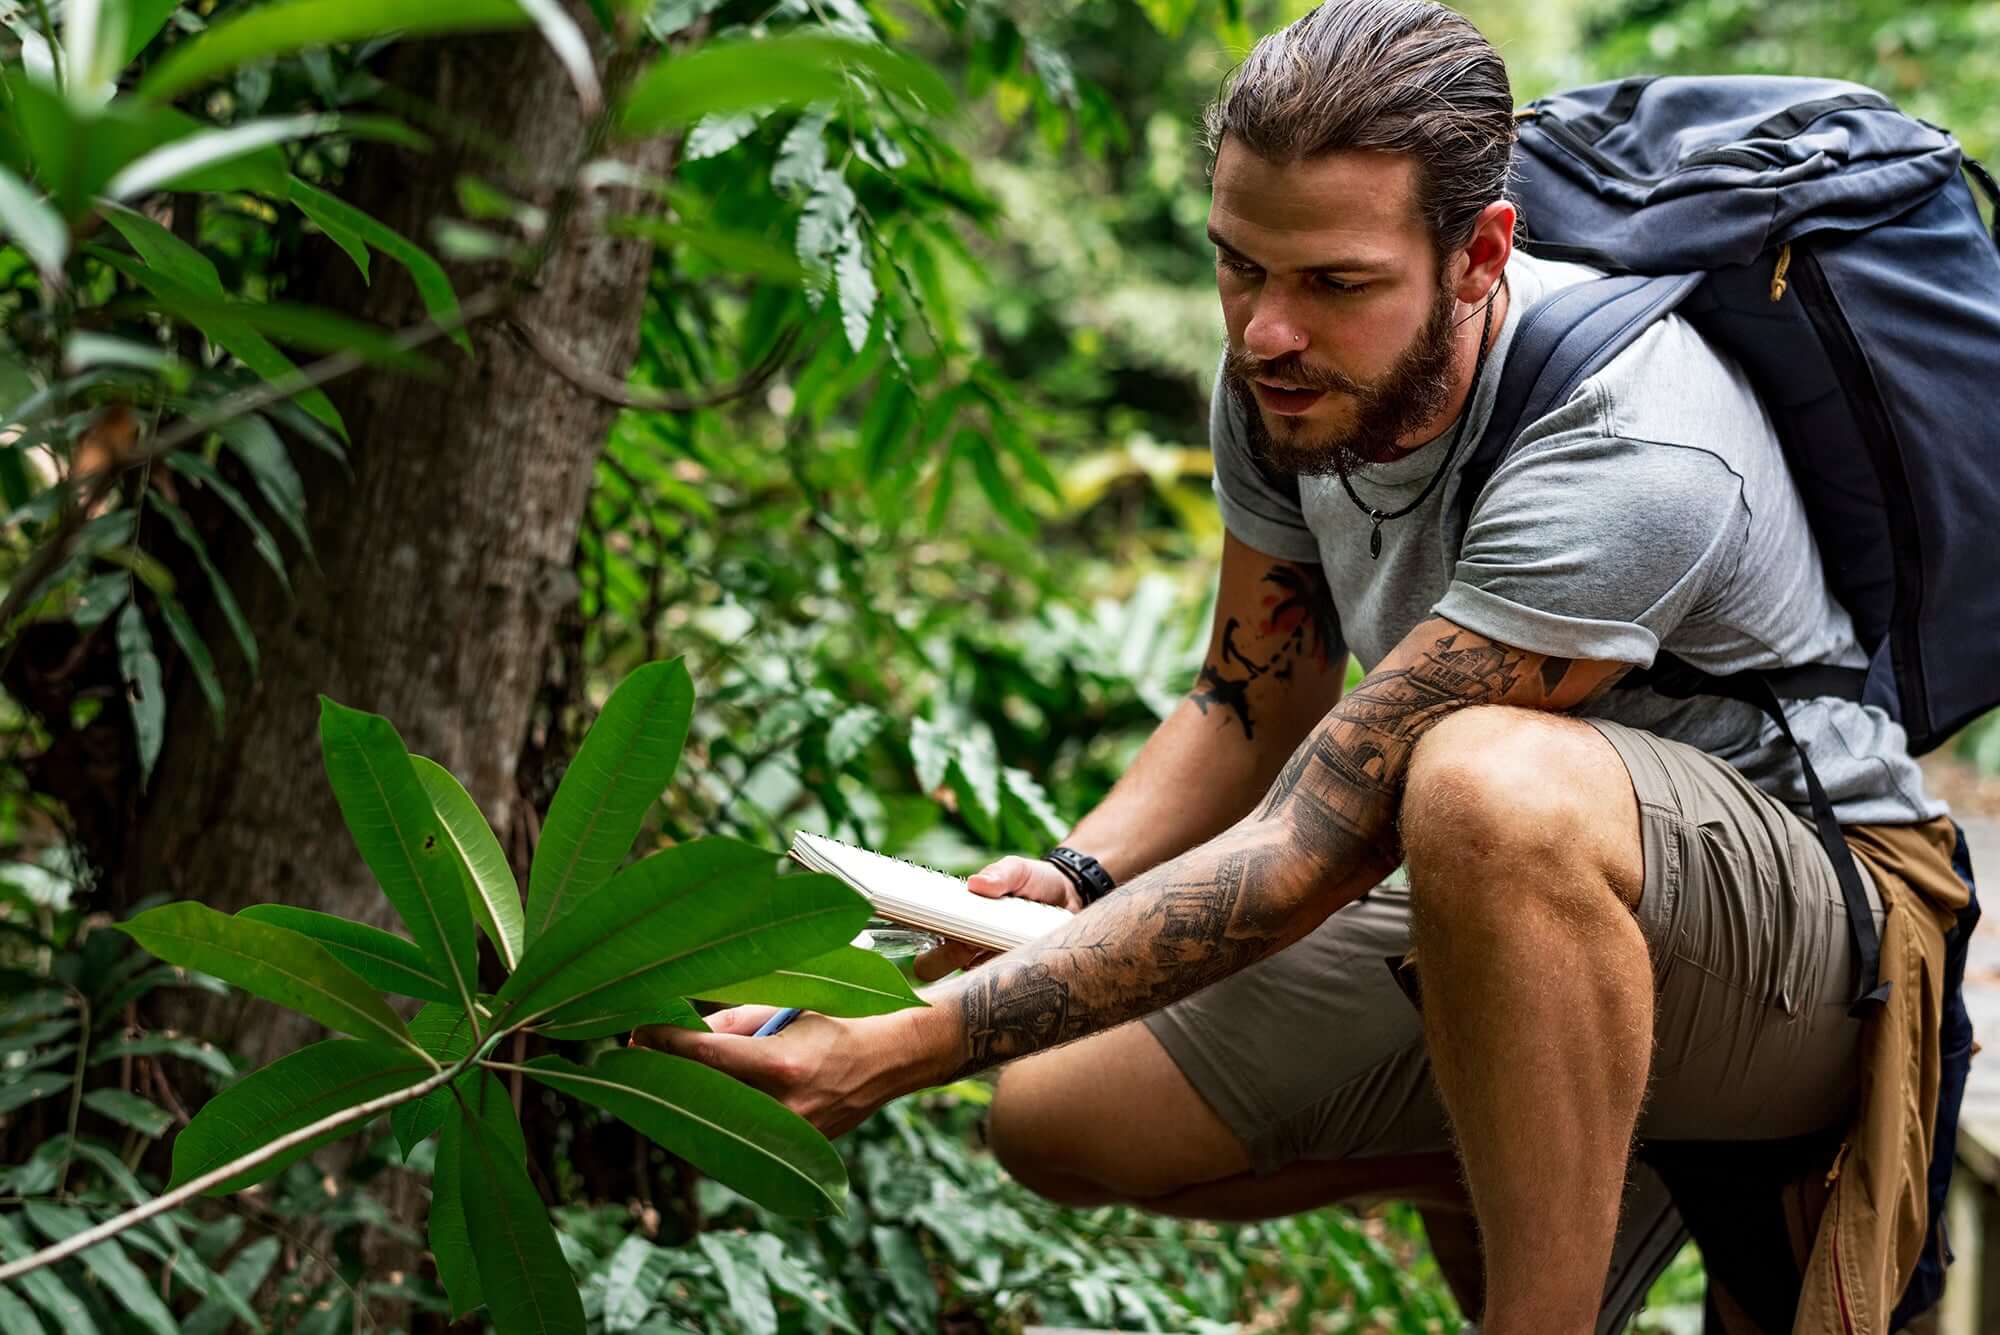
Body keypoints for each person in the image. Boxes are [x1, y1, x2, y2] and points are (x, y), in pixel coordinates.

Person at [644, 2, 1965, 1329]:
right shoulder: (1286, 376)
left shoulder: (1636, 439)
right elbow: (1251, 700)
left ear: (1478, 257)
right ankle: (1553, 1141)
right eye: (1237, 268)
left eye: (1335, 282)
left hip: (1817, 924)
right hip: (1519, 895)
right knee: (1061, 1110)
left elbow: (1316, 839)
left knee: (1480, 785)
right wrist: (1070, 881)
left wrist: (897, 1047)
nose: (1268, 329)